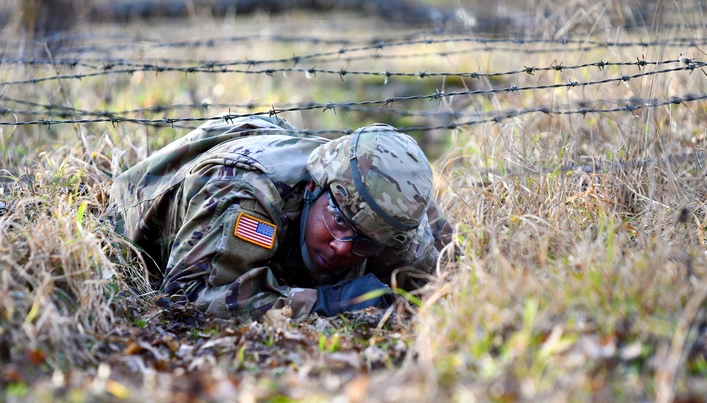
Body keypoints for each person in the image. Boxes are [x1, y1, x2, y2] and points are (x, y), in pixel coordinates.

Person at [106, 114, 456, 318]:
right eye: (337, 223)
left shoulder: (388, 213)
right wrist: (324, 302)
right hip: (132, 226)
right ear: (313, 188)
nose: (341, 248)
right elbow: (184, 298)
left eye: (363, 243)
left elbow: (450, 280)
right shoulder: (248, 198)